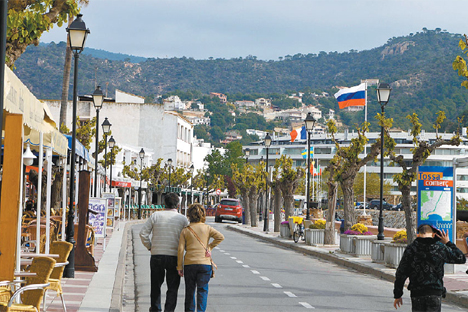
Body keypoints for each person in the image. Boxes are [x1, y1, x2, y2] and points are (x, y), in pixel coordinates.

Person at [393, 224, 466, 311]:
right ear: (433, 234)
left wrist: (398, 294)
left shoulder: (411, 249)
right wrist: (448, 242)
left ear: (418, 234)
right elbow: (461, 258)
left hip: (417, 293)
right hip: (434, 292)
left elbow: (401, 273)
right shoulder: (440, 248)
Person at [140, 193, 189, 312]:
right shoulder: (183, 219)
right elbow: (188, 237)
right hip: (174, 257)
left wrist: (150, 246)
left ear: (164, 203)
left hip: (157, 254)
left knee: (156, 285)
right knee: (172, 287)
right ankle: (169, 310)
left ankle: (156, 308)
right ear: (177, 205)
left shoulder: (155, 215)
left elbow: (143, 233)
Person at [177, 203, 224, 312]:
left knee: (190, 291)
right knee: (202, 290)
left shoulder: (185, 230)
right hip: (205, 264)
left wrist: (179, 267)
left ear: (189, 215)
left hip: (189, 264)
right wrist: (210, 247)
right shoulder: (207, 228)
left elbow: (180, 249)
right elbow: (220, 237)